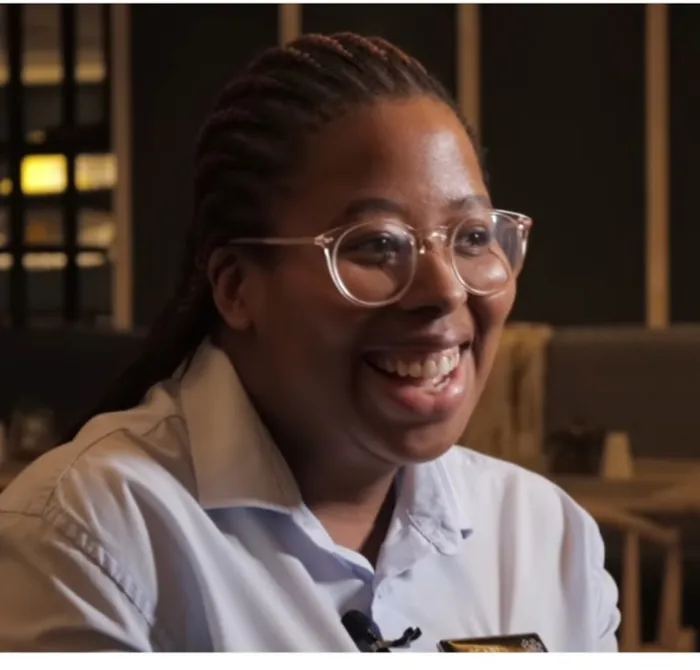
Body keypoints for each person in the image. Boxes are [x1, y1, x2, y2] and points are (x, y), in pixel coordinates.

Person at [0, 32, 619, 652]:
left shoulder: (547, 541)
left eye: (473, 238)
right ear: (237, 287)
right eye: (376, 244)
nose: (444, 290)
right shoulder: (88, 539)